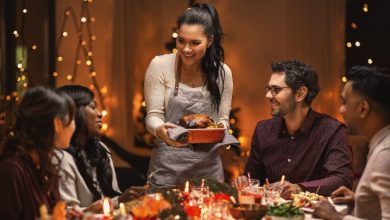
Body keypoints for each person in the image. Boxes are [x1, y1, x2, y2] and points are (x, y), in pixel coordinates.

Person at [144, 3, 233, 187]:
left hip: (208, 173)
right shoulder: (160, 65)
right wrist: (161, 130)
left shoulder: (223, 73)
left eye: (195, 43)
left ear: (209, 41)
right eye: (181, 40)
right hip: (167, 170)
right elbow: (153, 116)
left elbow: (223, 120)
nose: (186, 49)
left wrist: (218, 132)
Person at [244, 60, 353, 198]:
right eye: (268, 89)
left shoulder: (332, 131)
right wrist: (244, 181)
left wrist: (300, 188)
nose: (268, 95)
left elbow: (342, 180)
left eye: (276, 90)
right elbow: (252, 178)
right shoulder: (263, 130)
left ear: (300, 94)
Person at [313, 66, 390, 220]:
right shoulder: (381, 143)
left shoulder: (385, 154)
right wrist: (360, 199)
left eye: (344, 102)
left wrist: (337, 217)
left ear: (363, 109)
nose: (340, 110)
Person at [0, 86, 76, 220]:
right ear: (57, 124)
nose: (74, 126)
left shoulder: (44, 165)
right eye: (72, 119)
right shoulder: (12, 170)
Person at [56, 85, 129, 211]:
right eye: (93, 107)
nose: (100, 114)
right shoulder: (61, 158)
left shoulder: (101, 149)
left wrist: (123, 199)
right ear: (75, 112)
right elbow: (66, 213)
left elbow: (110, 199)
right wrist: (93, 209)